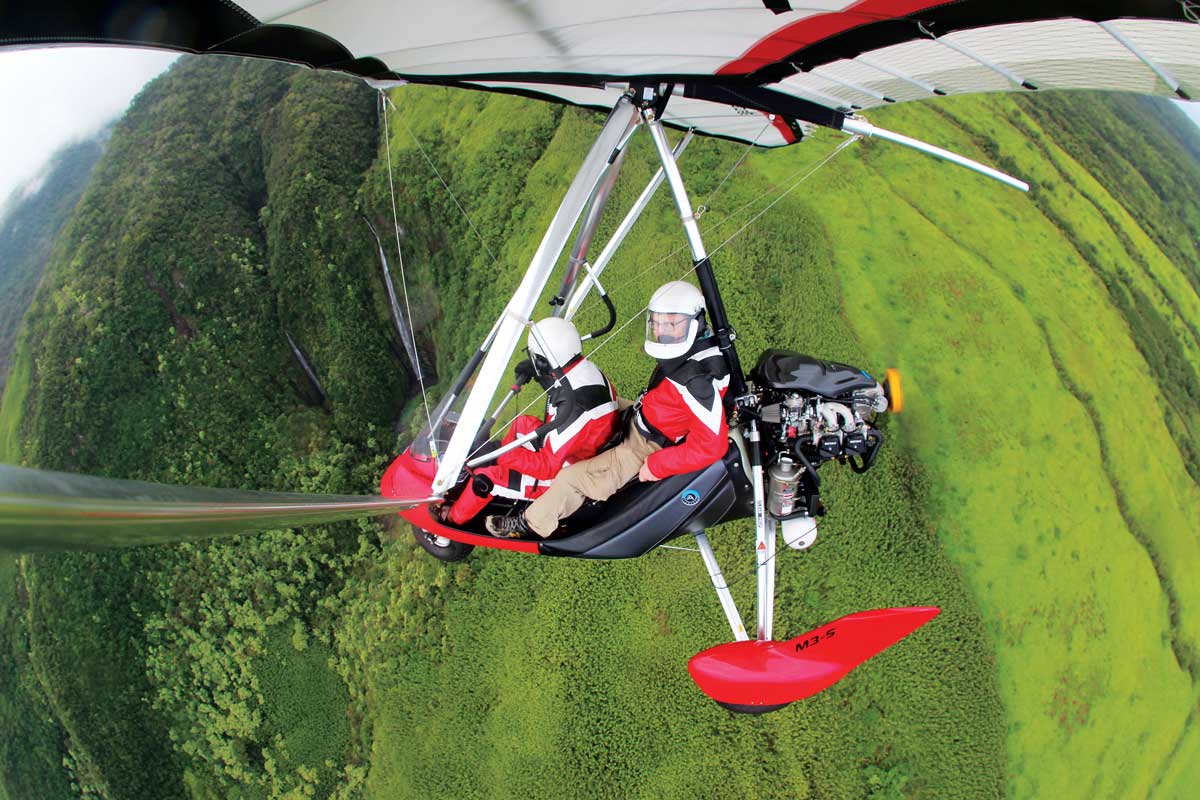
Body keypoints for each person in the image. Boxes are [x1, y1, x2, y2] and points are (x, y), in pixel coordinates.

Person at [486, 280, 730, 538]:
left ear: (695, 322)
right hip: (643, 414)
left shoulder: (696, 381)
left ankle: (529, 523)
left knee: (572, 478)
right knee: (597, 403)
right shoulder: (699, 348)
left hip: (646, 446)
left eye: (671, 324)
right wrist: (540, 372)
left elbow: (712, 446)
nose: (661, 331)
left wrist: (657, 465)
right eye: (657, 323)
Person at [443, 317, 620, 526]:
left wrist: (503, 456)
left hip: (567, 471)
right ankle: (498, 459)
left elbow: (547, 468)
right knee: (521, 423)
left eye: (537, 360)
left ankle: (452, 519)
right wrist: (537, 374)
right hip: (580, 443)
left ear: (545, 360)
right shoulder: (582, 369)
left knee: (485, 478)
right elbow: (560, 388)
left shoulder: (575, 408)